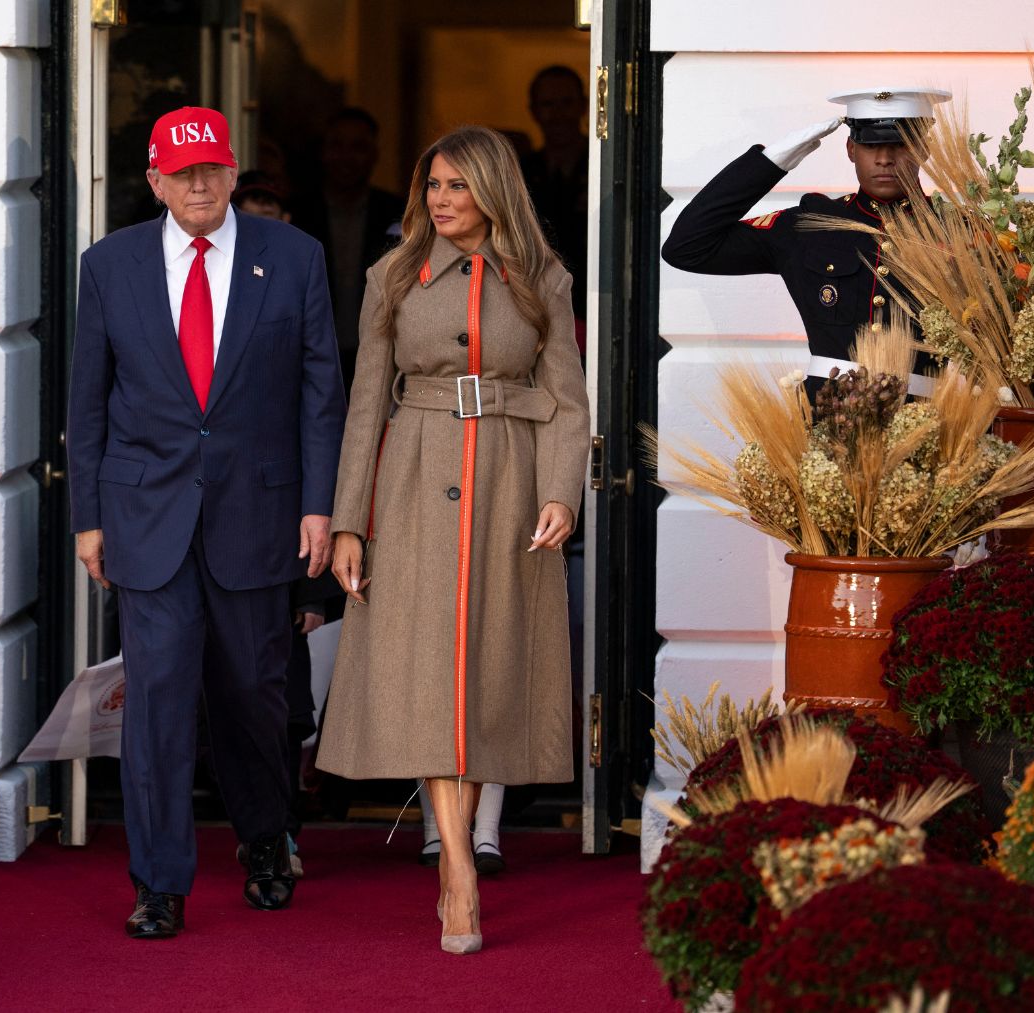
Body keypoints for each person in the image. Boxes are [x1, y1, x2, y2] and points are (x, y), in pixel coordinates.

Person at [68, 106, 346, 940]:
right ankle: (159, 881)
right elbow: (86, 402)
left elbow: (320, 392)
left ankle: (265, 840)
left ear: (231, 173)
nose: (199, 184)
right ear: (153, 180)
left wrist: (319, 505)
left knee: (253, 697)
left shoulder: (292, 257)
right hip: (145, 516)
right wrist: (89, 518)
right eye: (181, 172)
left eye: (212, 169)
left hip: (259, 515)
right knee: (155, 701)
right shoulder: (109, 264)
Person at [319, 125, 591, 954]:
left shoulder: (543, 277)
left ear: (493, 191)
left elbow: (570, 399)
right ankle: (458, 872)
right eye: (432, 185)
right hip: (410, 483)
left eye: (457, 186)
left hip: (510, 481)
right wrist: (348, 522)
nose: (440, 200)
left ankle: (461, 845)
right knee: (431, 673)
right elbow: (365, 403)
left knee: (488, 671)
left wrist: (560, 493)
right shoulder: (392, 275)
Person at [660, 88, 951, 395]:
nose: (884, 159)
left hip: (933, 422)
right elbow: (687, 247)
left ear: (924, 149)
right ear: (851, 149)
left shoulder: (962, 230)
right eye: (870, 145)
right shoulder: (810, 224)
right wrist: (771, 162)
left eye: (900, 145)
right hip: (827, 419)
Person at [294, 108, 403, 387]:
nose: (346, 157)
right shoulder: (298, 214)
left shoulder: (397, 212)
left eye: (358, 147)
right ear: (323, 152)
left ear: (375, 154)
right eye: (337, 146)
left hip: (381, 353)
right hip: (309, 353)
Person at [520, 66, 591, 325]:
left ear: (584, 106)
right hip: (534, 299)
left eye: (566, 102)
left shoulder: (605, 168)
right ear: (534, 112)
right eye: (548, 104)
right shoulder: (520, 172)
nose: (558, 113)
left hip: (594, 297)